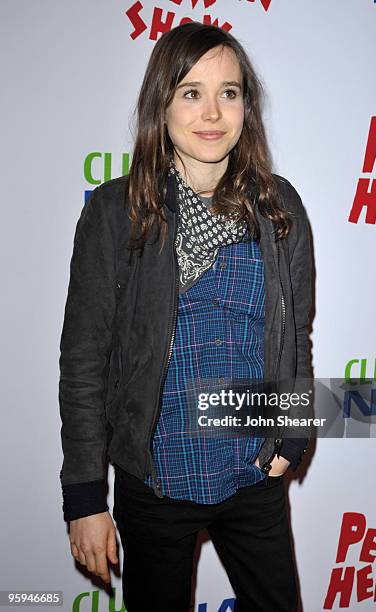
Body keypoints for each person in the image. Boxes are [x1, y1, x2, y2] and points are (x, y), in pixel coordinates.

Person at [59, 21, 313, 612]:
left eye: (229, 92)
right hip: (157, 480)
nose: (212, 113)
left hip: (254, 473)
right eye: (191, 92)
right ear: (162, 104)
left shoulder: (280, 208)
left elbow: (293, 334)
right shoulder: (117, 211)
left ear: (246, 107)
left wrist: (292, 436)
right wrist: (85, 498)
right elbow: (85, 360)